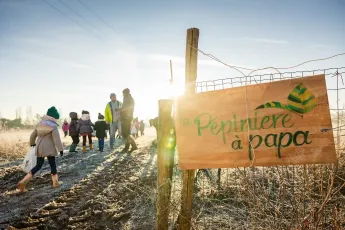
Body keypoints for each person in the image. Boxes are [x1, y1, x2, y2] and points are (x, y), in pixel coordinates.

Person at [17, 106, 63, 192]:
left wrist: (32, 143)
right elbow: (56, 139)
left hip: (39, 147)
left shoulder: (39, 124)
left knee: (38, 166)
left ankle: (23, 182)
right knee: (52, 164)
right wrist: (60, 149)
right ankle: (55, 182)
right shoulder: (53, 126)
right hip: (49, 149)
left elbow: (32, 135)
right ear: (54, 117)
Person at [120, 88, 138, 153]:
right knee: (126, 132)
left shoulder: (127, 98)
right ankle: (126, 147)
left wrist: (120, 110)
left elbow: (128, 108)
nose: (122, 94)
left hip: (126, 117)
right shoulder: (129, 98)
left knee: (125, 133)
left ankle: (134, 146)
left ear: (125, 93)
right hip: (127, 117)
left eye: (123, 93)